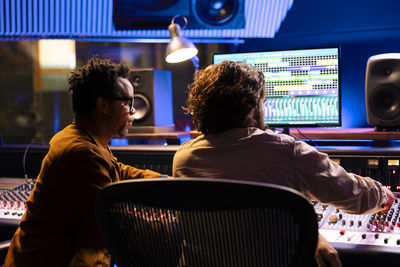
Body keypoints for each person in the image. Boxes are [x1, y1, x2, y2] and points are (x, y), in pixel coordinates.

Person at [173, 60, 395, 267]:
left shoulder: (183, 158)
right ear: (252, 108)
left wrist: (312, 231)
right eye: (262, 102)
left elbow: (233, 226)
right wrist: (384, 195)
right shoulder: (289, 152)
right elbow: (356, 196)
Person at [4, 56, 162, 267]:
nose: (133, 111)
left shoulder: (87, 139)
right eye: (127, 102)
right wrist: (176, 224)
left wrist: (165, 180)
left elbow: (118, 170)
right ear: (103, 105)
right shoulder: (80, 151)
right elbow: (117, 226)